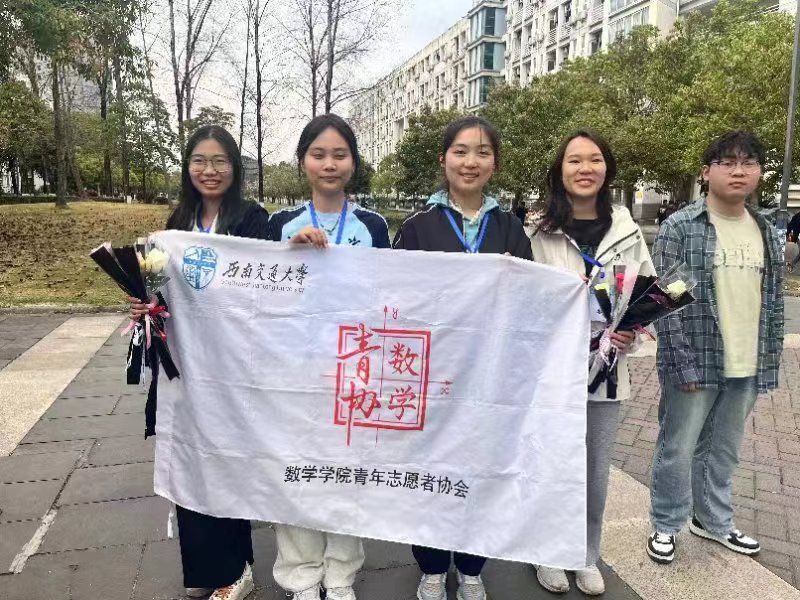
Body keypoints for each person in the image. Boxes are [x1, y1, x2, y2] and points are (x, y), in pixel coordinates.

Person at [393, 116, 532, 600]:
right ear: (444, 159)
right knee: (429, 473)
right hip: (431, 378)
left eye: (482, 152)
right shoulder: (417, 227)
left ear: (495, 163)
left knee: (482, 473)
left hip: (491, 380)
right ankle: (432, 567)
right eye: (460, 151)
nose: (471, 161)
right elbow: (396, 298)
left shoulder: (510, 228)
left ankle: (472, 568)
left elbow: (531, 299)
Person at [128, 125, 269, 600]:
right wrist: (144, 303)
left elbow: (265, 292)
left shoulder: (252, 220)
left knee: (227, 463)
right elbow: (159, 290)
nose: (210, 170)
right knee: (189, 460)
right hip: (185, 364)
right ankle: (206, 570)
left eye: (220, 161)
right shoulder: (176, 223)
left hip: (233, 367)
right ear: (188, 168)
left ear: (235, 168)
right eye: (200, 161)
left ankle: (237, 569)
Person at [646, 131, 784, 565]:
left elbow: (773, 301)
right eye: (727, 162)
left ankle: (712, 521)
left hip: (747, 361)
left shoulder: (767, 231)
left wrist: (769, 358)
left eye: (748, 162)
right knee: (678, 446)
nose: (738, 171)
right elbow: (665, 300)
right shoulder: (681, 227)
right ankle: (666, 523)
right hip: (695, 359)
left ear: (760, 172)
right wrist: (680, 364)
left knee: (723, 449)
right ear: (706, 172)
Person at [267, 113, 389, 600]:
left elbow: (389, 294)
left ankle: (340, 575)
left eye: (340, 154)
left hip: (355, 367)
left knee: (347, 474)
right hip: (294, 369)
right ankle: (300, 574)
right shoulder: (279, 224)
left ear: (353, 162)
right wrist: (288, 254)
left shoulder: (374, 226)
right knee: (295, 469)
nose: (329, 164)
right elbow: (261, 296)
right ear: (303, 162)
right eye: (319, 154)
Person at [529, 129, 654, 596]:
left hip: (605, 373)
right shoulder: (538, 231)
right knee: (549, 464)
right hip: (549, 375)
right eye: (574, 160)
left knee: (594, 471)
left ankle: (585, 554)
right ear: (559, 171)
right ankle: (547, 551)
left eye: (595, 159)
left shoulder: (626, 231)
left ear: (607, 168)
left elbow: (647, 293)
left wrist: (631, 331)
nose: (585, 168)